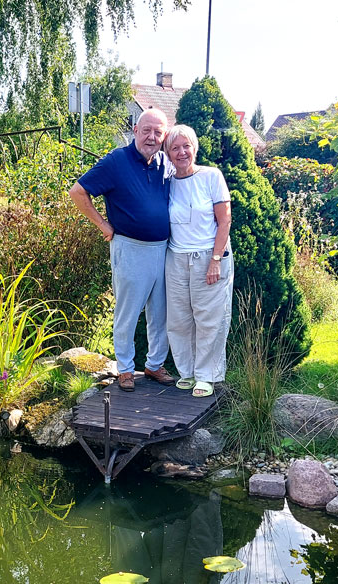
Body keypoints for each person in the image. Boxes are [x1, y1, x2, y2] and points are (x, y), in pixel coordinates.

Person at [68, 109, 175, 392]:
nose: (151, 137)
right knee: (128, 313)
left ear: (164, 136)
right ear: (136, 130)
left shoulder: (165, 162)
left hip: (164, 250)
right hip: (130, 248)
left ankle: (154, 365)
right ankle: (126, 369)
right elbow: (77, 192)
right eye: (146, 130)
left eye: (158, 132)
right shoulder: (117, 161)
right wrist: (103, 225)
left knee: (161, 313)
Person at [162, 124, 233, 398]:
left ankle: (206, 376)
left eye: (186, 146)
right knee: (179, 319)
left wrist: (216, 259)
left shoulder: (211, 176)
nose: (181, 152)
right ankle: (187, 372)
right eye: (175, 148)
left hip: (208, 256)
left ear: (195, 148)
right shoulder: (167, 181)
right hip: (176, 258)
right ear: (168, 153)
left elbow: (224, 220)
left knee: (209, 319)